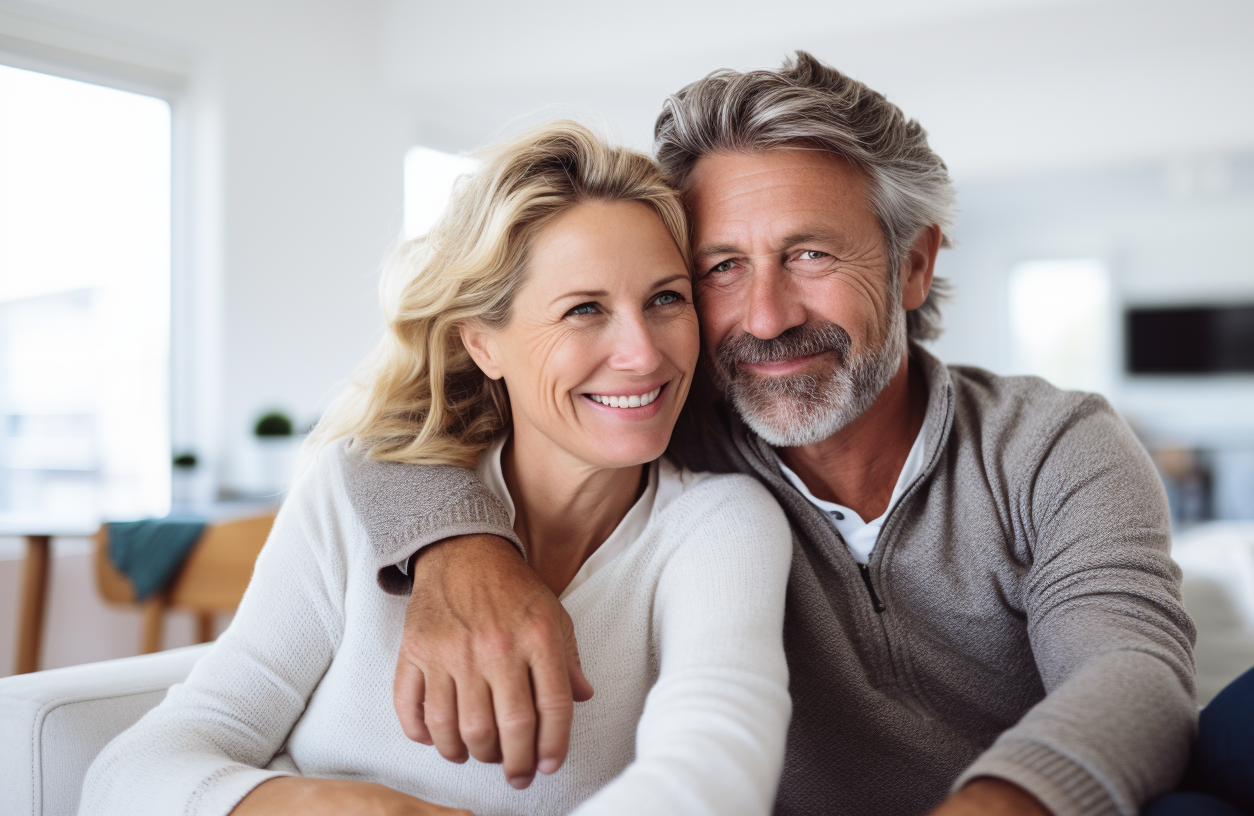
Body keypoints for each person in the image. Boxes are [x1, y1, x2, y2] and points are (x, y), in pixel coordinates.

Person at [339, 54, 1254, 816]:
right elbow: (422, 409)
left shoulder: (1050, 441)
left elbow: (1131, 676)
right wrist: (457, 548)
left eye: (811, 255)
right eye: (722, 269)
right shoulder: (666, 442)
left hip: (1079, 795)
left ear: (914, 263)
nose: (767, 314)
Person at [80, 122, 794, 816]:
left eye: (666, 298)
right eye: (583, 310)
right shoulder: (349, 491)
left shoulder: (720, 525)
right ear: (483, 344)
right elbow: (129, 775)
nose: (643, 353)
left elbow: (710, 772)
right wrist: (322, 805)